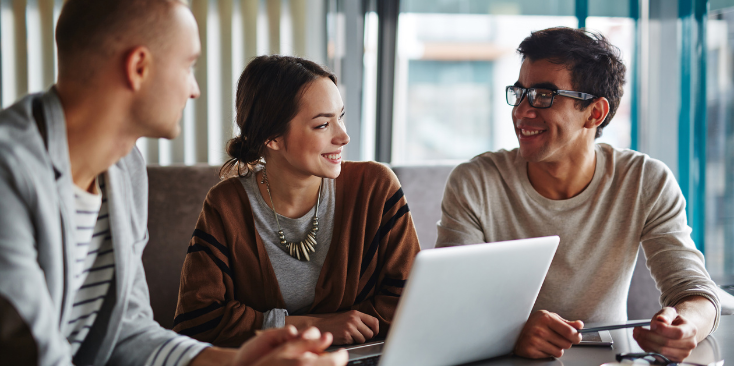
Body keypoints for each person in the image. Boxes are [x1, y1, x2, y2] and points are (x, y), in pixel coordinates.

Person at [0, 0, 347, 365]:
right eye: (188, 66)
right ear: (138, 67)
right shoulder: (10, 174)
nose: (194, 89)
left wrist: (240, 362)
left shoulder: (124, 169)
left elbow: (128, 331)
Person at [435, 27, 720, 361]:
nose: (522, 111)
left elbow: (695, 291)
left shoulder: (644, 180)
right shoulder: (476, 182)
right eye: (520, 92)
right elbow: (448, 306)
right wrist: (512, 331)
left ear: (594, 112)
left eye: (543, 96)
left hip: (606, 360)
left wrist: (686, 326)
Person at [173, 55, 421, 347]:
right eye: (322, 125)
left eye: (339, 117)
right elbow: (197, 320)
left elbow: (412, 304)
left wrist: (265, 325)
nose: (344, 136)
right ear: (272, 138)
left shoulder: (375, 189)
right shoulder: (226, 205)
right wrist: (313, 327)